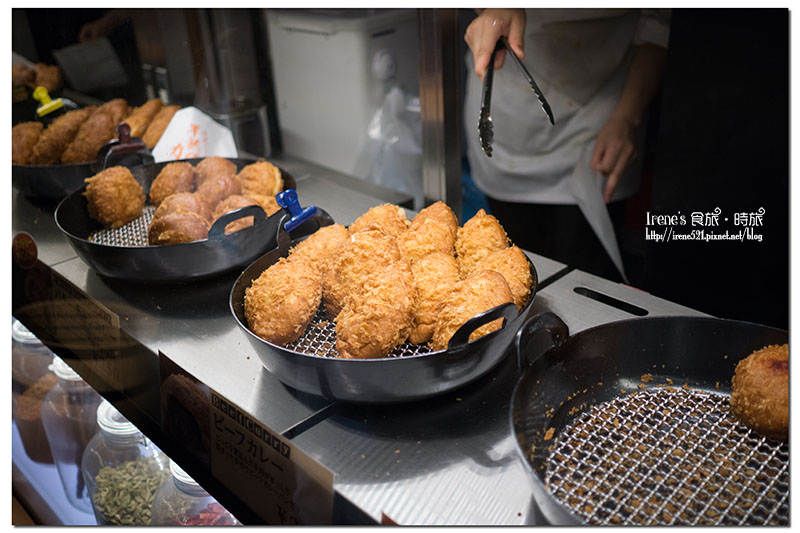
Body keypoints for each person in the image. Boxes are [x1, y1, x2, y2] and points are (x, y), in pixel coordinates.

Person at [463, 9, 669, 281]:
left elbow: (659, 22)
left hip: (605, 109)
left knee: (589, 275)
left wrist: (627, 117)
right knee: (514, 270)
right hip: (509, 112)